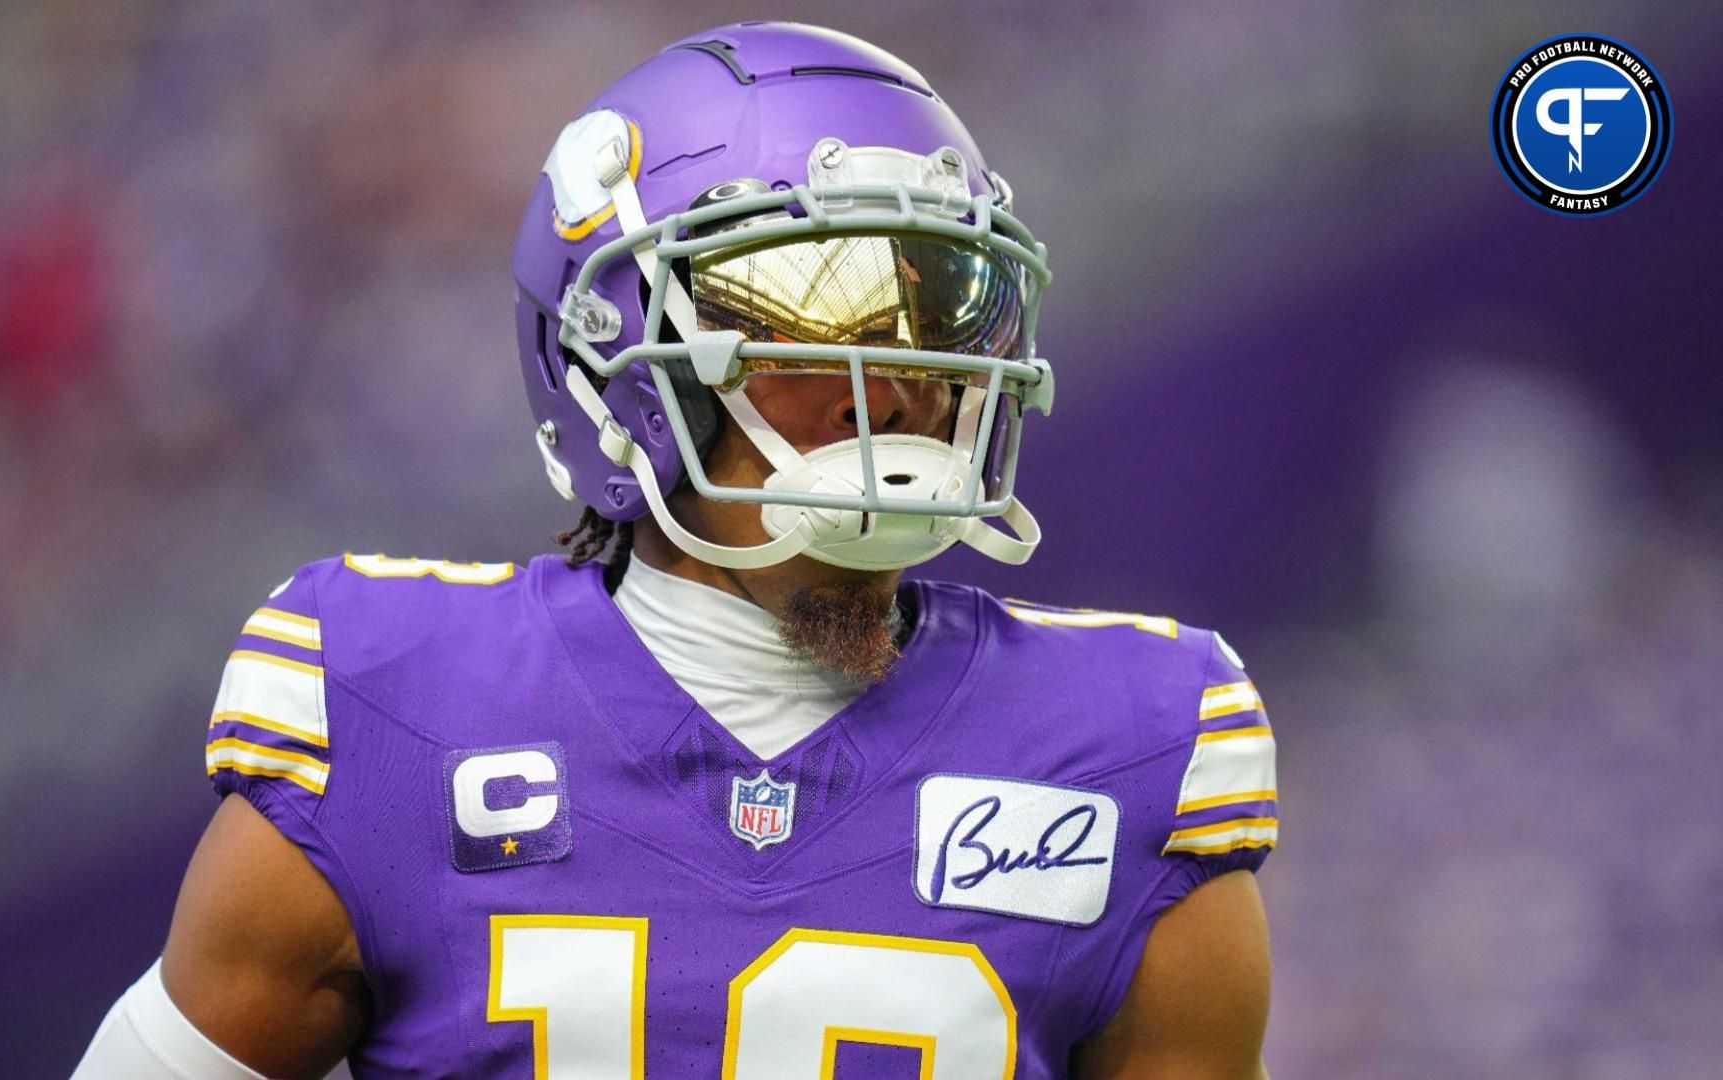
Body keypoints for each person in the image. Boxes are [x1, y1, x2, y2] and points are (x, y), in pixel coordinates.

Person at [74, 21, 1276, 1079]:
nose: (905, 380)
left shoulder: (1130, 755)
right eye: (828, 307)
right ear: (618, 364)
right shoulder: (395, 711)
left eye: (942, 302)